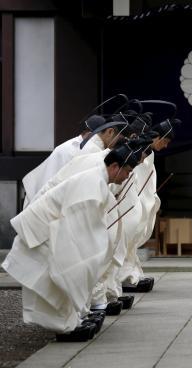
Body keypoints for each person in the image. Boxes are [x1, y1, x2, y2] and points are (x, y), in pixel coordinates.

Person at [1, 145, 141, 341]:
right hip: (44, 235)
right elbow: (77, 227)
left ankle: (70, 322)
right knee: (58, 280)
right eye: (127, 171)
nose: (127, 177)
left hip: (51, 232)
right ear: (115, 166)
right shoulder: (92, 184)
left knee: (64, 280)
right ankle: (65, 327)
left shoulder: (99, 181)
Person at [120, 118, 180, 293]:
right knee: (124, 242)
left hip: (141, 203)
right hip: (128, 204)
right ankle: (123, 278)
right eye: (165, 141)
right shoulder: (136, 151)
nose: (165, 146)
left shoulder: (149, 153)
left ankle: (131, 274)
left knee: (130, 245)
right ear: (157, 137)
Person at [21, 115, 105, 207]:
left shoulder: (73, 144)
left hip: (44, 192)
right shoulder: (81, 149)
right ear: (91, 134)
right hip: (47, 195)